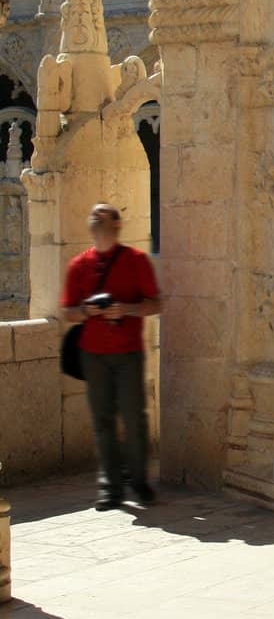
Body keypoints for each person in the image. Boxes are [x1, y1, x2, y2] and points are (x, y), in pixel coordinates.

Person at [59, 204, 163, 511]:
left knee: (134, 417)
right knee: (102, 421)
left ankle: (139, 480)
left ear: (116, 225)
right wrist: (87, 312)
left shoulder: (136, 261)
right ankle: (111, 487)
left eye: (102, 213)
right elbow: (67, 312)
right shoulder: (79, 266)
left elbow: (156, 303)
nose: (95, 215)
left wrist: (126, 309)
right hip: (94, 355)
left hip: (128, 352)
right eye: (92, 213)